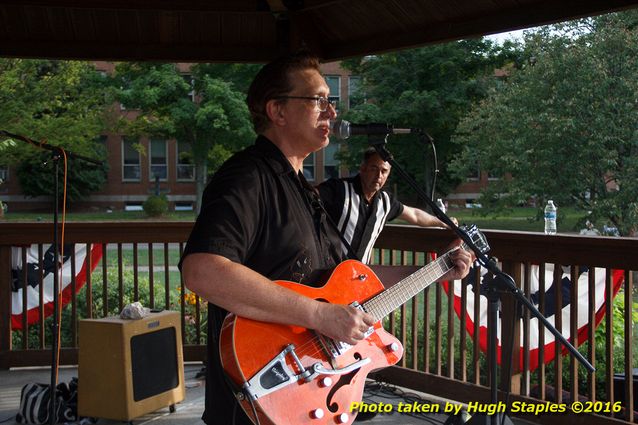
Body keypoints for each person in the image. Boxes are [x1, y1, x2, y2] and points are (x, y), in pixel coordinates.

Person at [179, 51, 473, 425]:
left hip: (305, 391)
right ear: (278, 111)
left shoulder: (307, 192)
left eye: (330, 101)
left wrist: (436, 271)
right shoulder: (247, 177)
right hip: (258, 395)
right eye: (318, 100)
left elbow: (348, 283)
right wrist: (320, 314)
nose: (332, 112)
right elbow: (203, 270)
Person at [318, 148, 456, 263]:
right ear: (363, 168)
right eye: (374, 168)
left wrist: (443, 222)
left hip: (357, 279)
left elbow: (415, 215)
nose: (378, 175)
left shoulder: (386, 202)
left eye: (384, 171)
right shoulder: (338, 189)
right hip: (327, 272)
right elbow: (306, 196)